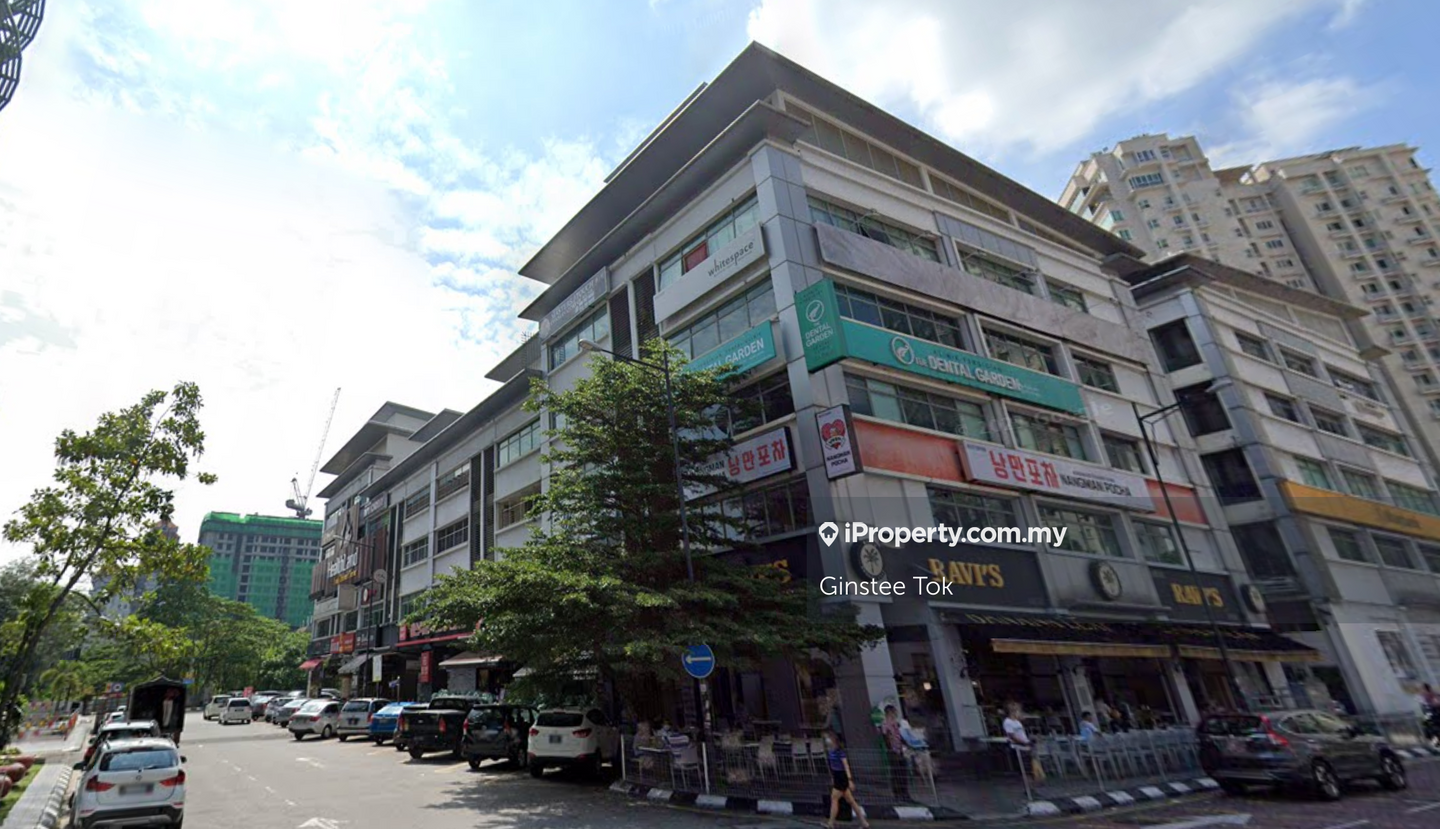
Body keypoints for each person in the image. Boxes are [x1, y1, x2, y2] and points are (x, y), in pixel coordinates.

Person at [823, 729, 870, 829]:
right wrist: (833, 777)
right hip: (837, 776)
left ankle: (830, 823)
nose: (828, 740)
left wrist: (849, 779)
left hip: (842, 777)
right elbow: (832, 766)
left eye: (830, 738)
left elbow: (846, 765)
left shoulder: (840, 752)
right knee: (851, 801)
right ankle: (864, 822)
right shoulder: (831, 751)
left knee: (834, 798)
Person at [880, 705, 911, 800]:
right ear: (889, 713)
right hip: (893, 751)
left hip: (900, 749)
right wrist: (891, 750)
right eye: (893, 712)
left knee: (903, 772)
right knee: (896, 772)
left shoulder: (896, 724)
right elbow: (886, 737)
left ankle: (905, 792)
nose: (895, 714)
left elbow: (900, 736)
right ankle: (898, 793)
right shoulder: (885, 724)